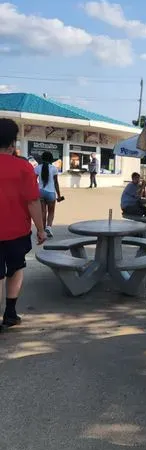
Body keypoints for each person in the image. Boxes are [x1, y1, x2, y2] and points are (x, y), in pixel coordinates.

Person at [0, 119, 46, 331]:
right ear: (13, 142)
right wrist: (41, 228)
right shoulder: (24, 167)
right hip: (16, 232)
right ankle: (10, 313)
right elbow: (33, 201)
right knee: (16, 268)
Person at [34, 151, 62, 238]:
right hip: (51, 193)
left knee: (42, 212)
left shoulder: (37, 168)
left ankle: (41, 230)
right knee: (51, 211)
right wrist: (59, 195)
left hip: (40, 192)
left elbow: (33, 181)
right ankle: (49, 228)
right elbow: (56, 183)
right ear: (51, 160)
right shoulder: (54, 169)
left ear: (42, 158)